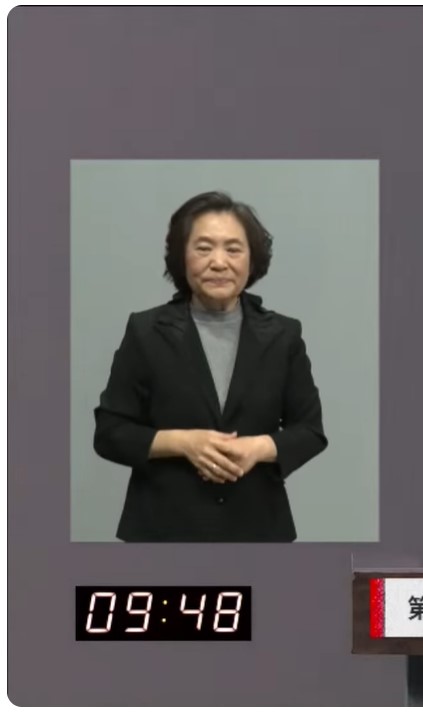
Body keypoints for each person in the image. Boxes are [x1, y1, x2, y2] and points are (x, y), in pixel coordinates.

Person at [93, 191, 328, 542]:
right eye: (204, 248)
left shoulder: (284, 335)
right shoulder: (145, 332)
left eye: (233, 249)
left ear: (252, 259)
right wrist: (183, 442)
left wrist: (257, 448)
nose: (219, 262)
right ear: (181, 257)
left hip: (259, 531)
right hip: (161, 532)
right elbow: (110, 433)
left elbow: (309, 431)